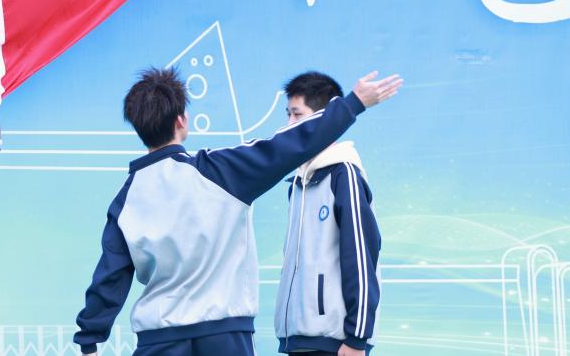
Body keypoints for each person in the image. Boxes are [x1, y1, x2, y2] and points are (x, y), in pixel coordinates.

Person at [73, 67, 401, 356]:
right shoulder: (221, 170)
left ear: (138, 126)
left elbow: (110, 276)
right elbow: (287, 146)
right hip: (224, 337)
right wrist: (353, 103)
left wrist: (90, 339)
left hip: (158, 340)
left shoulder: (126, 198)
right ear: (181, 120)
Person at [274, 72, 384, 356]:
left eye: (297, 114)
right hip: (298, 340)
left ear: (325, 119)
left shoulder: (344, 175)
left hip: (336, 343)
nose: (289, 124)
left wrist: (357, 338)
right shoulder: (298, 183)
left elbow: (361, 256)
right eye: (287, 114)